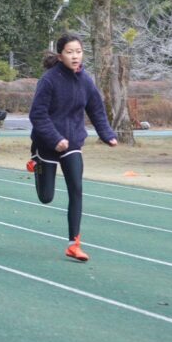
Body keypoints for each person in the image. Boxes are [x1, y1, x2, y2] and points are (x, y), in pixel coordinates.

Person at [29, 32, 117, 262]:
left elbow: (96, 110)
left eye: (78, 52)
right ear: (60, 56)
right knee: (46, 197)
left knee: (76, 189)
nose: (75, 56)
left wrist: (107, 134)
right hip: (47, 144)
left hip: (73, 143)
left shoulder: (86, 81)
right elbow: (37, 115)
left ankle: (74, 244)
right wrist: (55, 139)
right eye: (70, 52)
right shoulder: (49, 80)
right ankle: (36, 163)